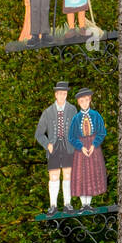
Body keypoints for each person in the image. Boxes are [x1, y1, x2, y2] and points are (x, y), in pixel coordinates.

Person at [34, 82, 77, 213]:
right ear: (56, 94)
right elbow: (38, 133)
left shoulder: (72, 109)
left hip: (68, 146)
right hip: (54, 147)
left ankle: (67, 204)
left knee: (68, 174)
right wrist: (47, 144)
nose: (62, 96)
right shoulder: (48, 112)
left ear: (66, 94)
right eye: (60, 93)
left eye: (65, 93)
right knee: (54, 175)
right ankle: (53, 205)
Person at [67, 88, 107, 205]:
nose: (84, 103)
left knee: (92, 174)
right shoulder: (76, 119)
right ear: (79, 103)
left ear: (90, 100)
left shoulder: (96, 115)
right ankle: (83, 204)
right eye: (82, 101)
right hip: (80, 151)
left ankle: (88, 204)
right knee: (82, 176)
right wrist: (81, 147)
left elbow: (102, 132)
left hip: (94, 149)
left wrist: (94, 144)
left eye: (86, 100)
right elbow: (72, 137)